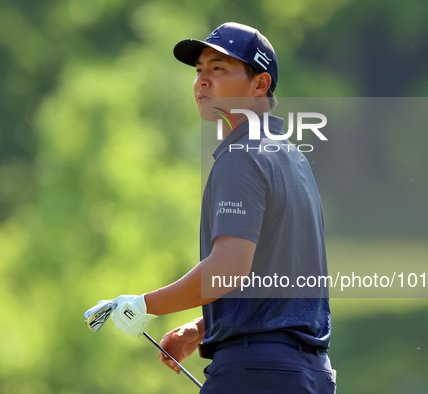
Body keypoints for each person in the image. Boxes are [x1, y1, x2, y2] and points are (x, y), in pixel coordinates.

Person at [91, 22, 336, 393]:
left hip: (255, 374)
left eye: (219, 69)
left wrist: (145, 305)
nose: (202, 81)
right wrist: (201, 328)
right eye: (199, 71)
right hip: (310, 376)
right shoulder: (291, 157)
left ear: (260, 84)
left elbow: (228, 268)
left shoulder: (241, 155)